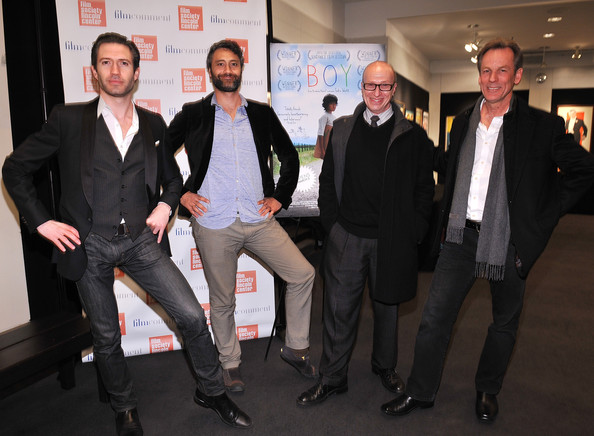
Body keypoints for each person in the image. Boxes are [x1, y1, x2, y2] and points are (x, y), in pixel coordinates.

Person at [2, 33, 252, 435]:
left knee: (191, 315)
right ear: (94, 71)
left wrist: (166, 205)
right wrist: (41, 222)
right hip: (88, 245)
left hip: (140, 241)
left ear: (136, 73)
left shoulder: (153, 123)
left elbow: (174, 179)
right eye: (106, 62)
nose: (115, 70)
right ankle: (125, 408)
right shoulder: (68, 120)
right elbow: (15, 168)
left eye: (124, 63)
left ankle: (212, 391)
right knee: (106, 336)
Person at [381, 38, 594, 423]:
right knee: (434, 318)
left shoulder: (541, 126)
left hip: (509, 241)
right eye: (486, 71)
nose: (493, 79)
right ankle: (420, 390)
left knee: (504, 323)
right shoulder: (463, 121)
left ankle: (487, 389)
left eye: (502, 71)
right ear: (478, 75)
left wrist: (543, 215)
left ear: (517, 75)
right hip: (460, 236)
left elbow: (583, 170)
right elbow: (451, 165)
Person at [167, 40, 316, 393]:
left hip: (257, 218)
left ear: (241, 69)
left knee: (303, 274)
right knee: (223, 301)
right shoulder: (193, 113)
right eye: (220, 64)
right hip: (213, 222)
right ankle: (229, 363)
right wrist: (181, 194)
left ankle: (296, 348)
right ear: (211, 70)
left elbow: (289, 156)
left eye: (233, 63)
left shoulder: (261, 113)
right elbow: (158, 153)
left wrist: (280, 197)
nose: (227, 70)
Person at [296, 61, 435, 406]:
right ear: (361, 87)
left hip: (391, 239)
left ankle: (385, 367)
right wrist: (332, 226)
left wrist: (414, 232)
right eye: (370, 85)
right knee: (337, 309)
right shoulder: (342, 129)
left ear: (394, 89)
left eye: (384, 86)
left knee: (388, 308)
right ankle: (332, 378)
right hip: (347, 235)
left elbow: (424, 188)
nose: (377, 93)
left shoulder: (413, 135)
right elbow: (328, 181)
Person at [313, 94, 338, 159]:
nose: (334, 106)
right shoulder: (324, 117)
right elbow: (320, 133)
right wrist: (322, 151)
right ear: (326, 104)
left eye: (335, 104)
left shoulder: (334, 118)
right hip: (326, 143)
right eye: (331, 104)